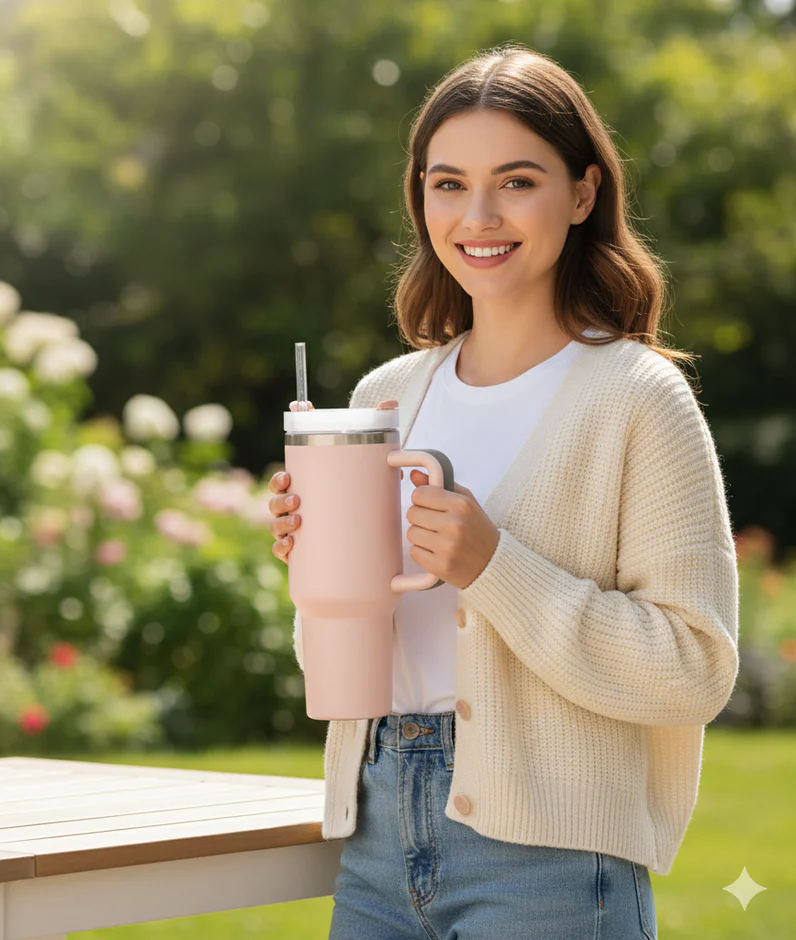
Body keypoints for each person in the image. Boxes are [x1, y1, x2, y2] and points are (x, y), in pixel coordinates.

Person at [268, 42, 737, 939]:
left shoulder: (639, 400)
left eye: (517, 181)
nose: (477, 215)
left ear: (585, 192)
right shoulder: (384, 398)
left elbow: (695, 671)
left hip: (551, 859)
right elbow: (350, 664)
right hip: (373, 836)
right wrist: (316, 569)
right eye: (447, 184)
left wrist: (495, 567)